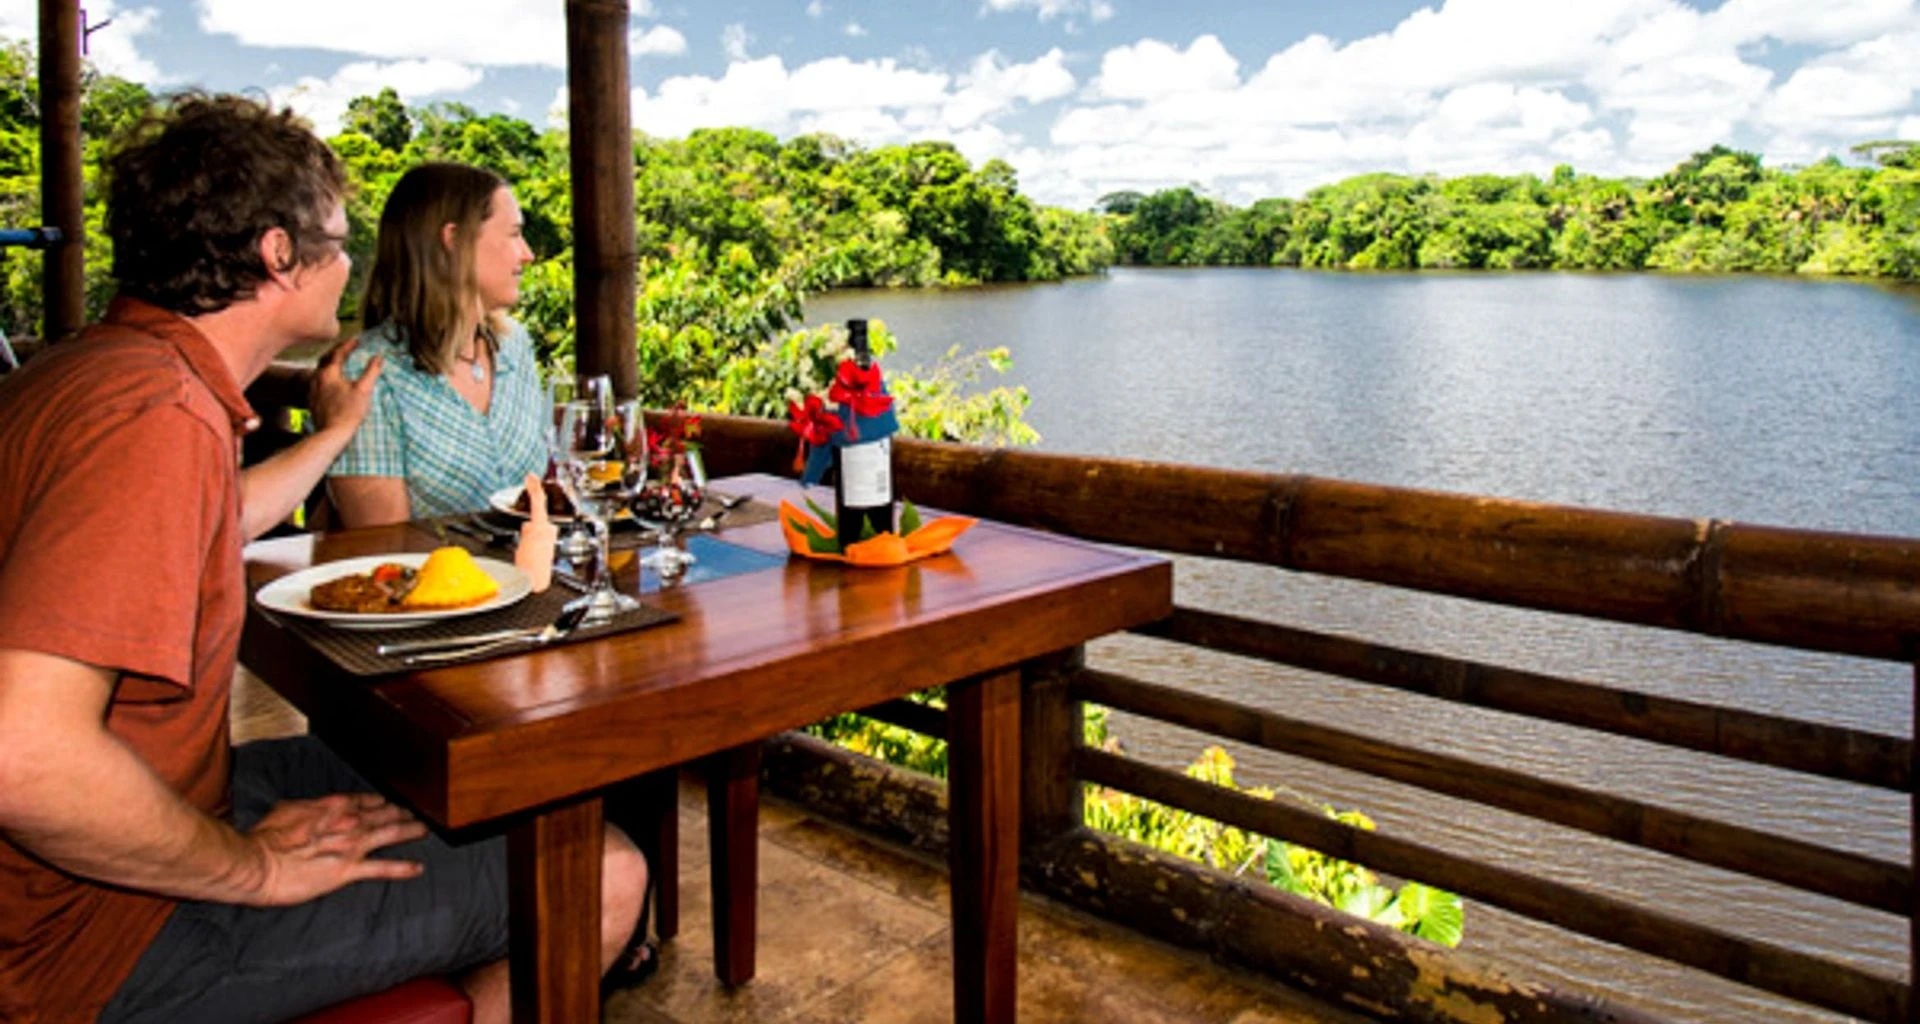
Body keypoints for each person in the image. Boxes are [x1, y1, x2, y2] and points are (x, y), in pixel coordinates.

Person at [0, 94, 644, 1024]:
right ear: (276, 254)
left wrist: (333, 433)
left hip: (139, 829)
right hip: (90, 939)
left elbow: (213, 524)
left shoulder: (88, 372)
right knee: (601, 873)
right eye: (338, 243)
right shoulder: (157, 419)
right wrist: (252, 867)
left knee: (494, 793)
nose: (351, 267)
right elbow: (23, 754)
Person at [327, 162, 547, 527]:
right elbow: (383, 547)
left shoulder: (514, 345)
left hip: (533, 577)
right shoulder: (369, 373)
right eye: (513, 234)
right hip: (435, 582)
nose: (527, 254)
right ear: (454, 239)